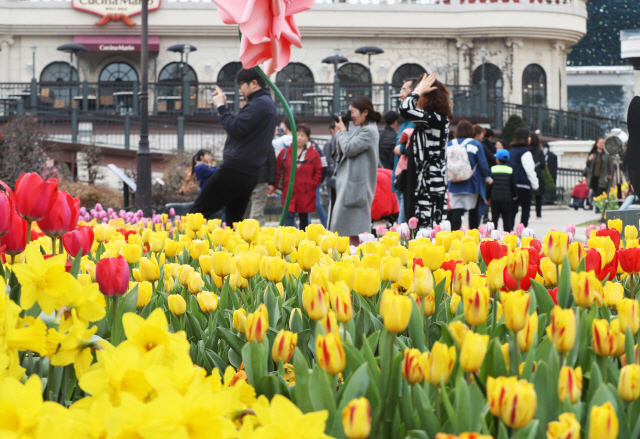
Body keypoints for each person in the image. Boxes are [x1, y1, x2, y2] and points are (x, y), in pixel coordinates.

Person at [189, 68, 277, 224]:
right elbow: (242, 128)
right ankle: (233, 248)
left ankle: (184, 248)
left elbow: (235, 128)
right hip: (250, 173)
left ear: (254, 84)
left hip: (236, 169)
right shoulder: (266, 103)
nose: (240, 90)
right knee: (234, 223)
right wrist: (225, 108)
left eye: (241, 85)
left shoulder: (258, 104)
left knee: (196, 215)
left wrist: (221, 107)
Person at [399, 73, 452, 229]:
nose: (416, 97)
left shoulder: (436, 119)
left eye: (421, 94)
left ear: (428, 97)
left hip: (429, 189)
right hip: (422, 184)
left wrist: (417, 90)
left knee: (426, 235)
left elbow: (405, 109)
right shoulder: (431, 119)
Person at [329, 97, 380, 246]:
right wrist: (343, 131)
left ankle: (354, 263)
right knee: (350, 232)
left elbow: (349, 149)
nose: (350, 116)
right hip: (353, 188)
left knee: (354, 232)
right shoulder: (364, 129)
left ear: (365, 112)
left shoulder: (369, 131)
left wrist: (343, 131)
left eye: (352, 112)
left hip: (355, 189)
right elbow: (345, 149)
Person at [276, 124, 323, 230]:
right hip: (289, 190)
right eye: (297, 135)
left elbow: (319, 171)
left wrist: (313, 184)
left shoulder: (314, 154)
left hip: (305, 191)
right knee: (288, 220)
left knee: (305, 221)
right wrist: (274, 186)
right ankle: (287, 244)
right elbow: (278, 169)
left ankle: (304, 245)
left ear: (307, 138)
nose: (300, 138)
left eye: (303, 135)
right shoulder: (285, 152)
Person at [447, 120, 491, 231]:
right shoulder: (475, 144)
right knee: (473, 211)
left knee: (456, 210)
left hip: (454, 182)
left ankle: (454, 237)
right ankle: (473, 237)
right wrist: (488, 177)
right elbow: (482, 164)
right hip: (472, 182)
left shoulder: (450, 144)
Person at [393, 77, 419, 225]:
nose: (400, 94)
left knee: (403, 227)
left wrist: (401, 148)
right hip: (399, 178)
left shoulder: (416, 119)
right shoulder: (406, 119)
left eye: (404, 90)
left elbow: (415, 145)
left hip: (407, 179)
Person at [508, 128, 539, 227]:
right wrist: (535, 184)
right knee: (525, 209)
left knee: (512, 209)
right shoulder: (525, 151)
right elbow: (530, 169)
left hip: (512, 185)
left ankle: (509, 230)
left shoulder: (511, 151)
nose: (530, 139)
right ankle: (523, 230)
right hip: (523, 185)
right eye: (529, 136)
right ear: (525, 138)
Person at [486, 149, 517, 232]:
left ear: (497, 159)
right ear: (508, 160)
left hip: (495, 198)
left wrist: (487, 197)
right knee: (506, 219)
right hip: (507, 198)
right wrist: (515, 195)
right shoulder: (510, 170)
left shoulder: (492, 169)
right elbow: (512, 185)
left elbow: (489, 185)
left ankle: (494, 237)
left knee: (494, 219)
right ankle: (507, 236)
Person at [243, 146, 276, 226]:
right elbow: (272, 163)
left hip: (249, 179)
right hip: (259, 179)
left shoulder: (246, 142)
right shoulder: (266, 143)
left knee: (248, 212)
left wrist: (271, 182)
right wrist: (271, 182)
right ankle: (255, 233)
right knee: (255, 212)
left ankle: (246, 233)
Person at [586, 137, 612, 201]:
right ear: (597, 144)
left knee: (600, 191)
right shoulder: (593, 153)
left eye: (603, 143)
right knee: (595, 191)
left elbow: (610, 165)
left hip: (603, 176)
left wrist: (611, 174)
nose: (602, 144)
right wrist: (589, 159)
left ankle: (598, 207)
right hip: (593, 177)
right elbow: (587, 164)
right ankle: (596, 205)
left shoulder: (607, 154)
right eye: (600, 143)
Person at [529, 132, 546, 222]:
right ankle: (538, 215)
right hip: (538, 174)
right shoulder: (540, 151)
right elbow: (543, 165)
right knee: (538, 196)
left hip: (528, 175)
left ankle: (527, 215)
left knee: (527, 196)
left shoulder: (526, 150)